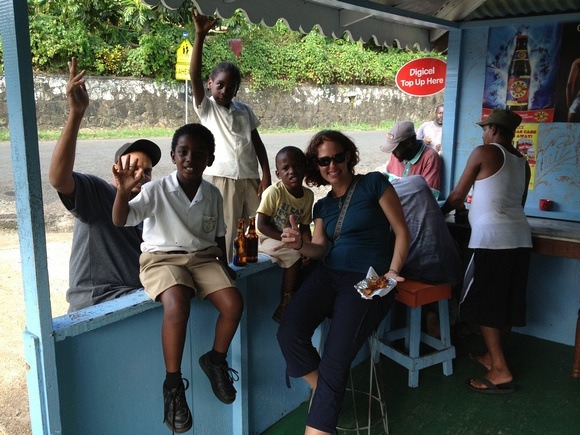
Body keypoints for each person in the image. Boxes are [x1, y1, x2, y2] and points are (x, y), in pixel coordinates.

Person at [112, 123, 244, 433]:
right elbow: (120, 220)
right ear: (173, 156)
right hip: (162, 259)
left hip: (202, 259)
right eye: (183, 152)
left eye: (199, 154)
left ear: (209, 160)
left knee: (234, 303)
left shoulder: (212, 194)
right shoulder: (155, 190)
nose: (190, 159)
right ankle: (173, 385)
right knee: (176, 302)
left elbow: (220, 236)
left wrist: (225, 269)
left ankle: (215, 360)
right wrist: (121, 191)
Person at [275, 130, 410, 434]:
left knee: (336, 358)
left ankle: (320, 425)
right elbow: (320, 249)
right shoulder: (322, 207)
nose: (332, 165)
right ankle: (328, 394)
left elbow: (401, 231)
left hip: (370, 279)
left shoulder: (374, 183)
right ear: (317, 165)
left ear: (349, 156)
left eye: (338, 157)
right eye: (324, 160)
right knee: (289, 332)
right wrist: (299, 244)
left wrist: (392, 270)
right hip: (330, 274)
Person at [48, 57, 162, 312]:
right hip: (96, 304)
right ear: (116, 170)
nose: (141, 175)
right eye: (133, 167)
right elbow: (58, 178)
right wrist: (76, 115)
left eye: (147, 171)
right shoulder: (99, 193)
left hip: (136, 300)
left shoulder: (148, 208)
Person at [441, 109, 532, 394]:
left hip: (493, 240)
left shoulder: (484, 152)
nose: (482, 133)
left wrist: (435, 216)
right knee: (505, 302)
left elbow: (456, 197)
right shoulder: (522, 161)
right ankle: (493, 357)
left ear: (493, 129)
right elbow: (519, 200)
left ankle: (500, 370)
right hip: (520, 238)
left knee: (485, 305)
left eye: (485, 128)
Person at [190, 8, 271, 262]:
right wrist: (199, 36)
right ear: (210, 83)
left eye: (231, 87)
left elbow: (257, 143)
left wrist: (266, 174)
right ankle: (224, 270)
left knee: (252, 227)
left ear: (237, 90)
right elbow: (193, 74)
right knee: (224, 229)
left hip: (249, 177)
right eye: (220, 84)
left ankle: (247, 265)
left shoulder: (244, 110)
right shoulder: (207, 108)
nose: (225, 90)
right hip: (222, 177)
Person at [256, 146, 315, 323]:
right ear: (278, 173)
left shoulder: (308, 195)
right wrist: (287, 239)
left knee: (307, 257)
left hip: (288, 239)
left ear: (305, 168)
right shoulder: (274, 192)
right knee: (294, 254)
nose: (292, 171)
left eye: (297, 166)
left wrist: (307, 248)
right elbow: (261, 224)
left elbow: (304, 227)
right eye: (286, 168)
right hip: (264, 237)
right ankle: (286, 302)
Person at [380, 120, 442, 199]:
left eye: (395, 149)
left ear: (408, 144)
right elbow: (388, 178)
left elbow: (429, 196)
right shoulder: (397, 155)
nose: (393, 153)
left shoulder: (430, 157)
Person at [566, 58, 580, 122]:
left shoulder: (577, 62)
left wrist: (570, 106)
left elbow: (570, 84)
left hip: (578, 104)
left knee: (572, 130)